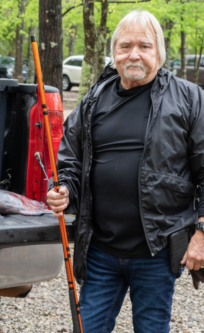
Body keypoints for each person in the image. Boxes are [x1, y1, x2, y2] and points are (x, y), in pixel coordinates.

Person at [47, 10, 204, 333]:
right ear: (114, 52)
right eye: (125, 46)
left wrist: (202, 234)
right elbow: (70, 159)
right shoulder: (93, 100)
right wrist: (64, 188)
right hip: (101, 250)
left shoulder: (190, 100)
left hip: (156, 252)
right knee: (87, 328)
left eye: (144, 46)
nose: (134, 54)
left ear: (159, 52)